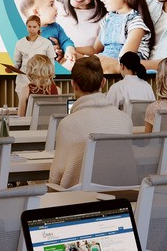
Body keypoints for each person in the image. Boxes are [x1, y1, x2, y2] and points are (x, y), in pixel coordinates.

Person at [48, 56, 131, 188]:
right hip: (120, 198)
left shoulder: (67, 124)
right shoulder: (126, 120)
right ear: (103, 82)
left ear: (73, 84)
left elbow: (55, 178)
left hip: (77, 202)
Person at [95, 0, 157, 67]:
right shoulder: (109, 18)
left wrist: (96, 60)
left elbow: (123, 60)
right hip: (106, 62)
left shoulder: (136, 23)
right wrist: (72, 50)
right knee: (69, 61)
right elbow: (94, 49)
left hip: (120, 67)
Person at [6, 10, 60, 80]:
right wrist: (12, 69)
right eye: (29, 27)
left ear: (39, 27)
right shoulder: (20, 43)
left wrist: (48, 76)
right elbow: (18, 64)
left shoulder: (47, 43)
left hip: (41, 80)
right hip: (23, 80)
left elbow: (51, 64)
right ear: (26, 26)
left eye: (34, 27)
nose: (32, 29)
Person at [111, 50, 155, 114]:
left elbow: (108, 113)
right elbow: (152, 111)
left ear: (122, 66)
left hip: (125, 123)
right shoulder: (147, 86)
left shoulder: (117, 87)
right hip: (145, 124)